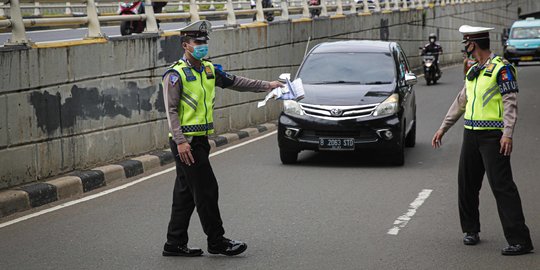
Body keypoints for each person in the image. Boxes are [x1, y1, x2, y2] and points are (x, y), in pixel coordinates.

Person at [161, 20, 283, 257]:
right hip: (186, 143)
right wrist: (180, 141)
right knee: (207, 190)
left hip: (200, 142)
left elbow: (236, 82)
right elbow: (171, 110)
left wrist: (267, 85)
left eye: (204, 42)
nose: (202, 46)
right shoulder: (175, 75)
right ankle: (217, 241)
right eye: (197, 42)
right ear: (185, 45)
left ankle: (174, 243)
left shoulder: (208, 69)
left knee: (186, 193)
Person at [432, 25, 533, 256]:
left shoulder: (502, 68)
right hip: (471, 133)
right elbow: (461, 101)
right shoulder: (473, 70)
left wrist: (507, 133)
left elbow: (510, 102)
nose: (464, 48)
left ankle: (520, 240)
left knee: (502, 186)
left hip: (493, 136)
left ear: (473, 44)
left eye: (465, 43)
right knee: (466, 184)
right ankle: (471, 230)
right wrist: (443, 128)